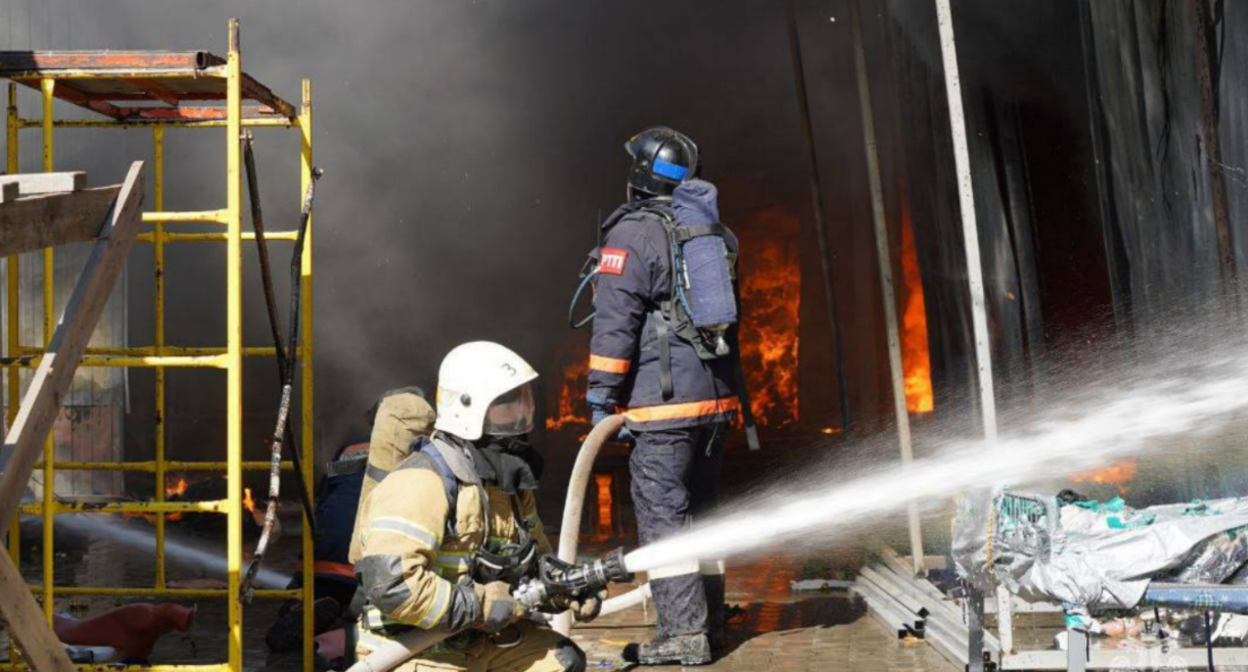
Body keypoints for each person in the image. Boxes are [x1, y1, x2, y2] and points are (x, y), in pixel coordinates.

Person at [586, 126, 739, 665]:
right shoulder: (708, 232)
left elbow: (613, 325)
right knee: (703, 515)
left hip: (664, 407)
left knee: (665, 519)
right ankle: (712, 624)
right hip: (715, 406)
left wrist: (601, 396)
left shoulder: (632, 235)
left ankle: (684, 634)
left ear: (639, 175)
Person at [353, 342, 597, 672]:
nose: (523, 411)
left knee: (563, 662)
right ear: (468, 407)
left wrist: (565, 588)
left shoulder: (507, 480)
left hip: (483, 639)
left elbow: (535, 560)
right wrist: (479, 606)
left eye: (524, 397)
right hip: (413, 645)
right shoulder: (423, 481)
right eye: (507, 403)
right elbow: (392, 585)